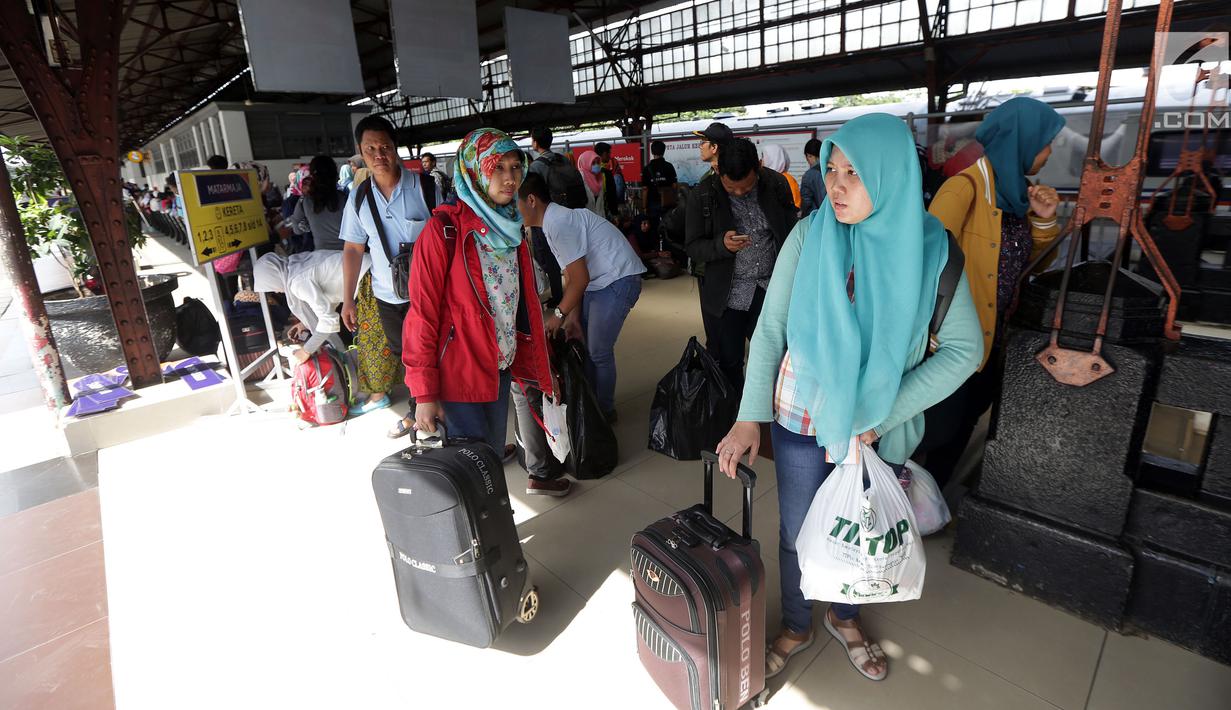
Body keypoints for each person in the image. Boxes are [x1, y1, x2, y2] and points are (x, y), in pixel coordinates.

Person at [715, 113, 983, 683]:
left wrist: (881, 414)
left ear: (890, 175)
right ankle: (796, 624)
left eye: (853, 173)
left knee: (859, 528)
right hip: (802, 412)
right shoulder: (810, 235)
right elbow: (771, 328)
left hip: (878, 425)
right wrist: (748, 417)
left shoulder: (933, 250)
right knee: (796, 531)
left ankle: (844, 616)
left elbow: (964, 351)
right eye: (832, 170)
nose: (835, 186)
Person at [917, 96, 1063, 487]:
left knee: (964, 422)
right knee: (937, 427)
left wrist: (1044, 222)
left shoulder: (1017, 195)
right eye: (1046, 143)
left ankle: (930, 499)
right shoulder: (962, 189)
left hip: (994, 336)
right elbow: (923, 261)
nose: (1049, 152)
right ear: (1022, 141)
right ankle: (901, 500)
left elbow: (1031, 265)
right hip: (952, 342)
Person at [405, 128, 558, 486]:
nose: (510, 178)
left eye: (515, 167)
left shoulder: (512, 228)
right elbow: (422, 314)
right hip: (458, 376)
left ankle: (494, 519)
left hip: (498, 367)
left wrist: (541, 365)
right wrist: (424, 393)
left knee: (488, 462)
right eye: (497, 168)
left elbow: (519, 307)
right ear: (475, 171)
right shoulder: (443, 230)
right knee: (469, 475)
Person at [339, 115, 442, 439]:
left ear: (395, 148)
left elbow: (447, 237)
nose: (378, 155)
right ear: (361, 152)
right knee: (406, 357)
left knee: (439, 353)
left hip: (430, 293)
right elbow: (353, 248)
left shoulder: (426, 188)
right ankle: (417, 411)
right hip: (388, 296)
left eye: (384, 147)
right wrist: (347, 299)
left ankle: (447, 410)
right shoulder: (358, 197)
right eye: (370, 149)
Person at [518, 172, 645, 420]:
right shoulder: (552, 221)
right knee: (584, 343)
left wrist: (558, 315)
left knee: (598, 351)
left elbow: (579, 279)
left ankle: (604, 412)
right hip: (599, 282)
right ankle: (590, 404)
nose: (513, 211)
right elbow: (571, 275)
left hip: (618, 279)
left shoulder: (558, 223)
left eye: (515, 203)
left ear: (531, 200)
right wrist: (573, 317)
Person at [684, 137, 797, 389]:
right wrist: (720, 246)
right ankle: (735, 410)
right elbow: (692, 246)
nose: (738, 193)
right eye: (730, 188)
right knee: (728, 363)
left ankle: (766, 409)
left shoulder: (776, 184)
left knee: (773, 360)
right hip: (728, 297)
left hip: (770, 291)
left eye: (746, 189)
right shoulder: (703, 194)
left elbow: (791, 232)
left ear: (758, 167)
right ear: (718, 170)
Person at [253, 251, 393, 414]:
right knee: (376, 337)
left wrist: (306, 351)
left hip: (369, 280)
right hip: (374, 271)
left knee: (370, 340)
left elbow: (329, 320)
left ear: (274, 276)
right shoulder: (296, 266)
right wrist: (305, 323)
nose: (276, 292)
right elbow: (330, 295)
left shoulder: (298, 282)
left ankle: (378, 397)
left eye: (271, 286)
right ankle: (383, 388)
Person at [527, 126, 589, 308]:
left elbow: (533, 195)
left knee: (549, 257)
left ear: (535, 143)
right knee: (572, 255)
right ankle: (578, 292)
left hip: (547, 217)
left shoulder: (536, 166)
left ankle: (558, 295)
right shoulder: (563, 160)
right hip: (570, 213)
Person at [290, 156, 348, 251]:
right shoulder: (346, 199)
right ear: (335, 175)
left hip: (321, 255)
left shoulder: (305, 201)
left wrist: (308, 224)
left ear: (312, 176)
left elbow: (297, 230)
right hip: (347, 254)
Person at [643, 140, 678, 221]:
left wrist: (644, 207)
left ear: (652, 152)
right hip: (667, 203)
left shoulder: (647, 169)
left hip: (652, 204)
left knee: (654, 225)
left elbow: (645, 189)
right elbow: (674, 185)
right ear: (663, 151)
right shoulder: (669, 166)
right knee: (668, 225)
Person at [762, 144, 801, 211]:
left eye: (763, 156)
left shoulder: (788, 179)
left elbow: (795, 205)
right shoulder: (764, 178)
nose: (761, 160)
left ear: (772, 158)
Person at [594, 142, 623, 217]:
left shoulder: (589, 171)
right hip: (604, 210)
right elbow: (611, 195)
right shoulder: (606, 173)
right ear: (604, 153)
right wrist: (615, 213)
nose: (610, 156)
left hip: (592, 211)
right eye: (609, 153)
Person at [799, 138, 826, 218]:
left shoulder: (809, 175)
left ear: (808, 156)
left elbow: (806, 201)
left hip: (815, 217)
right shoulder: (831, 170)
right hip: (830, 215)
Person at [577, 150, 607, 219]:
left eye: (598, 162)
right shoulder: (580, 178)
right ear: (585, 163)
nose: (596, 165)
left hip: (599, 219)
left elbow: (601, 204)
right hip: (586, 219)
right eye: (593, 163)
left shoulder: (599, 177)